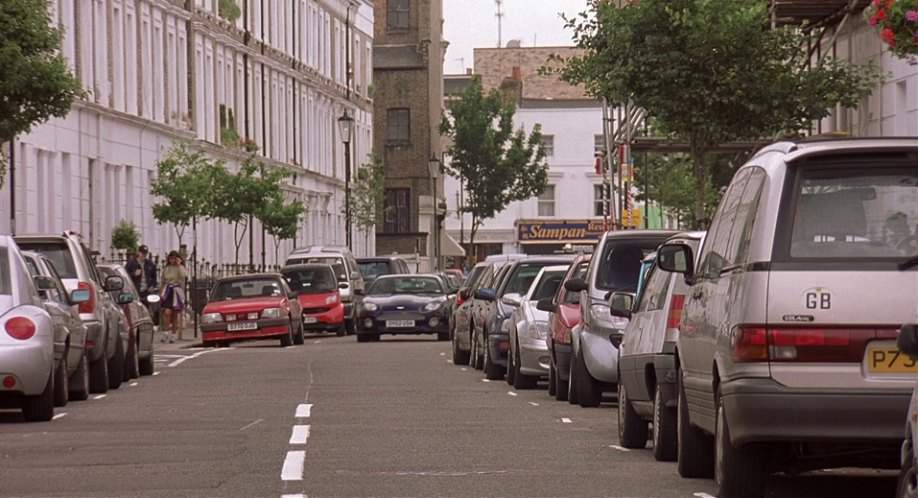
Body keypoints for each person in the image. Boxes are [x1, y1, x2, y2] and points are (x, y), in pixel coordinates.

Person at [160, 251, 187, 343]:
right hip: (168, 291)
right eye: (171, 258)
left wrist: (179, 265)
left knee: (175, 314)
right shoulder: (166, 268)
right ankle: (165, 332)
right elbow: (163, 280)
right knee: (167, 312)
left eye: (174, 258)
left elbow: (184, 276)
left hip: (176, 291)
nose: (172, 260)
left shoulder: (180, 268)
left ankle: (173, 334)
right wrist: (161, 292)